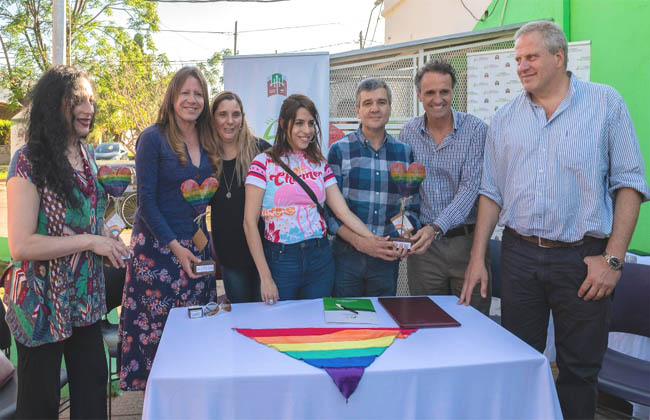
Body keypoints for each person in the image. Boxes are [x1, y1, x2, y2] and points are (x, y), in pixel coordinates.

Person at [459, 21, 650, 419]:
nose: (522, 67)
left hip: (584, 260)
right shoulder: (505, 117)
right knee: (519, 362)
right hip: (520, 255)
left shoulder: (605, 104)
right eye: (518, 59)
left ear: (559, 57)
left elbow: (630, 184)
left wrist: (613, 260)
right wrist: (478, 258)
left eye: (531, 57)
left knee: (579, 370)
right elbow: (491, 192)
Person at [4, 65, 129, 419]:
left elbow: (88, 220)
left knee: (92, 397)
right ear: (54, 104)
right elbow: (21, 246)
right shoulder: (27, 161)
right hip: (41, 306)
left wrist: (108, 239)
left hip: (84, 302)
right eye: (78, 100)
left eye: (91, 100)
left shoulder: (87, 155)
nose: (88, 108)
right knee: (39, 407)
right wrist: (90, 242)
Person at [118, 67, 219, 391]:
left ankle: (191, 402)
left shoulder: (209, 139)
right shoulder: (153, 138)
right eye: (185, 93)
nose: (192, 100)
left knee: (196, 333)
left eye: (198, 94)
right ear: (172, 97)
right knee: (158, 338)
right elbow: (145, 202)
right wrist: (176, 248)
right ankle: (160, 405)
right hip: (157, 253)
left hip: (197, 248)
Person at [244, 94, 374, 304]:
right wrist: (265, 277)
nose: (307, 130)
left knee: (317, 319)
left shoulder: (320, 163)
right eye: (299, 123)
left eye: (311, 123)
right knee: (281, 322)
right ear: (283, 124)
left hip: (319, 257)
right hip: (281, 259)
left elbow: (342, 211)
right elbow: (249, 223)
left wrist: (373, 240)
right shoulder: (262, 163)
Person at [399, 60, 491, 314]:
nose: (437, 99)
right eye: (430, 92)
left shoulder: (475, 129)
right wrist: (403, 227)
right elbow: (404, 189)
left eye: (444, 91)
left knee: (472, 324)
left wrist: (436, 228)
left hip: (467, 246)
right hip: (424, 251)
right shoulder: (408, 132)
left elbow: (470, 188)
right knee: (427, 322)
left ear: (453, 92)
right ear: (419, 95)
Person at [326, 78, 419, 297]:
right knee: (346, 316)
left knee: (384, 315)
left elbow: (411, 206)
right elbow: (329, 212)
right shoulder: (339, 150)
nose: (375, 108)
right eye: (367, 103)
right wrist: (361, 242)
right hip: (346, 257)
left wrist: (402, 237)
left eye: (381, 102)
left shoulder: (404, 152)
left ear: (390, 108)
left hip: (386, 259)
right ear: (358, 111)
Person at [209, 91, 271, 303]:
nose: (230, 121)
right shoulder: (206, 157)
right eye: (222, 114)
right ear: (213, 119)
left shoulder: (261, 151)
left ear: (242, 118)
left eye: (235, 114)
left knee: (267, 316)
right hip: (230, 257)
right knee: (241, 317)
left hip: (266, 255)